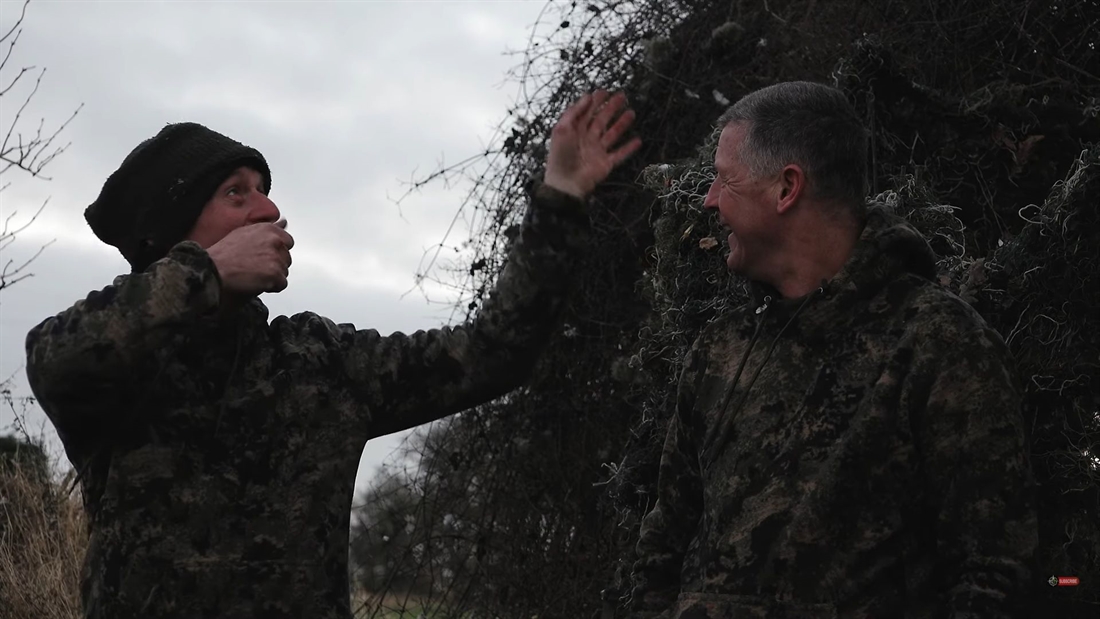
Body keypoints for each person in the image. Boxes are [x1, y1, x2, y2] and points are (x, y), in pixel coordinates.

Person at [26, 90, 640, 619]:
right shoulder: (119, 369)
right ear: (173, 231)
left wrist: (559, 198)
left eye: (265, 192)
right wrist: (203, 273)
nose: (269, 209)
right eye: (236, 194)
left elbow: (494, 351)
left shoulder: (318, 362)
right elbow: (57, 359)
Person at [628, 81, 1037, 618]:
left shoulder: (938, 344)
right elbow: (657, 559)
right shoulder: (717, 352)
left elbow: (992, 576)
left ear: (786, 188)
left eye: (725, 180)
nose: (708, 200)